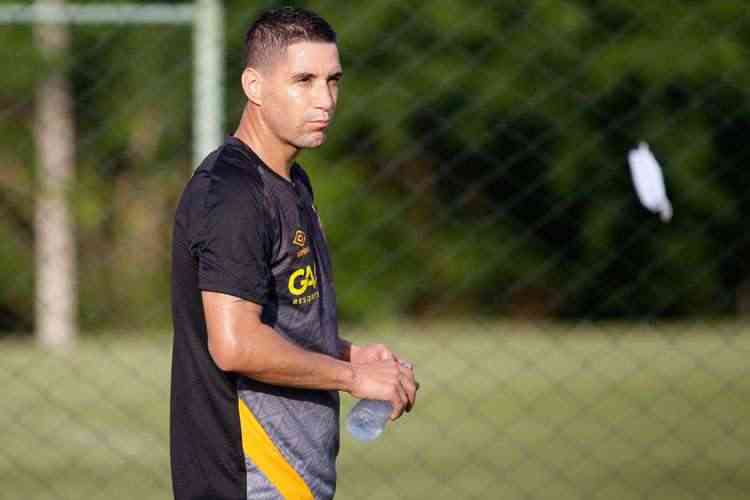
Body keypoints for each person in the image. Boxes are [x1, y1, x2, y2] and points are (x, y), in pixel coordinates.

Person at [170, 7, 418, 500]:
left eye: (333, 80)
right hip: (250, 478)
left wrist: (347, 352)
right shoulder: (233, 195)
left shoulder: (290, 181)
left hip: (294, 477)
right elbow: (236, 344)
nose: (324, 99)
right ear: (254, 85)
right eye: (303, 81)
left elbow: (280, 322)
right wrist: (353, 377)